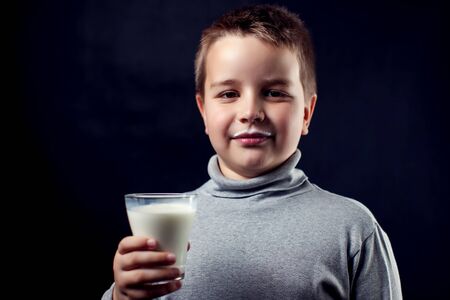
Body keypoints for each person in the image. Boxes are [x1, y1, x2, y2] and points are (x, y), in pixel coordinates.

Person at [102, 4, 402, 299]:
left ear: (307, 114)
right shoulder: (165, 227)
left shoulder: (352, 228)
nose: (250, 112)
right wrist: (122, 296)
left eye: (274, 93)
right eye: (229, 94)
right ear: (204, 112)